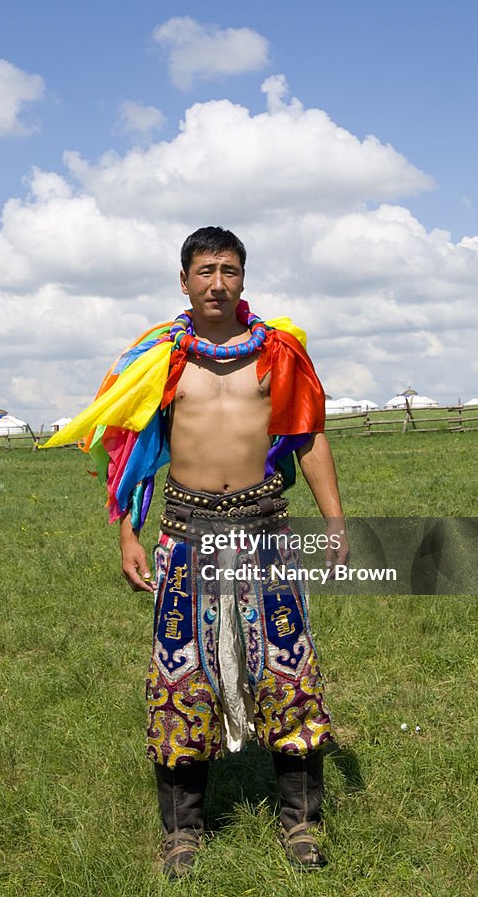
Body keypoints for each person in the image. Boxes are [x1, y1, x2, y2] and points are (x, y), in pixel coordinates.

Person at [43, 226, 349, 878]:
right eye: (205, 270)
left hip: (264, 528)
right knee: (180, 680)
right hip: (185, 535)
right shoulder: (158, 358)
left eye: (230, 270)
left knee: (288, 673)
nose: (218, 282)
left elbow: (309, 435)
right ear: (183, 280)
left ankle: (300, 824)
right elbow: (129, 448)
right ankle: (182, 834)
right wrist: (126, 529)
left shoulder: (278, 353)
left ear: (244, 278)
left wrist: (335, 522)